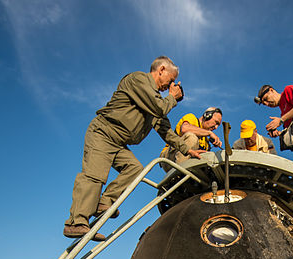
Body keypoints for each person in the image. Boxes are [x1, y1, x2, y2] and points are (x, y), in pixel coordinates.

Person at [64, 56, 204, 239]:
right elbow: (160, 107)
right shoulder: (138, 80)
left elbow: (166, 130)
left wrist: (187, 150)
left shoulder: (154, 101)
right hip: (104, 133)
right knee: (94, 176)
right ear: (161, 70)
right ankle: (76, 223)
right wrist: (172, 97)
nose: (169, 86)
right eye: (170, 80)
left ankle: (103, 203)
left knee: (135, 169)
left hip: (119, 143)